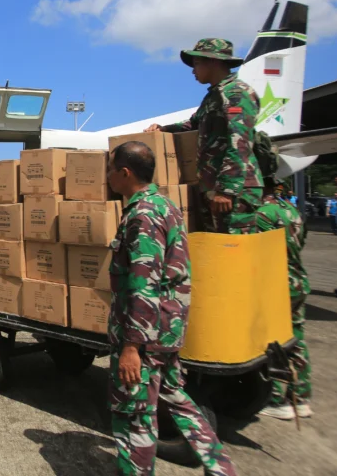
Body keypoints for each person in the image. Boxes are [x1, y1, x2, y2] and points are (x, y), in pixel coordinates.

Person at [107, 141, 237, 476]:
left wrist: (132, 347)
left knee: (133, 413)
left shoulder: (143, 215)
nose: (107, 176)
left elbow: (143, 284)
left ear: (125, 172)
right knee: (174, 397)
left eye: (111, 169)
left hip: (146, 336)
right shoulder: (164, 204)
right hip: (167, 329)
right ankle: (222, 467)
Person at [146, 38, 263, 234]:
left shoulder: (236, 93)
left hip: (235, 191)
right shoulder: (214, 96)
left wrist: (227, 190)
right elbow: (193, 124)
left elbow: (240, 142)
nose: (193, 70)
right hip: (214, 188)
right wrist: (163, 128)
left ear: (215, 62)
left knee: (233, 249)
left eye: (197, 64)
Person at [254, 142, 312, 421]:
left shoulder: (261, 214)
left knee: (274, 340)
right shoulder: (291, 211)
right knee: (296, 338)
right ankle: (301, 396)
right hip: (299, 280)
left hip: (276, 284)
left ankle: (276, 398)